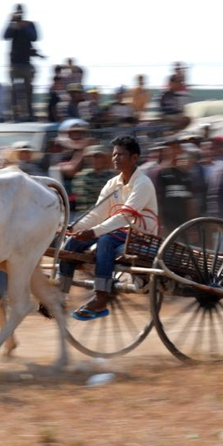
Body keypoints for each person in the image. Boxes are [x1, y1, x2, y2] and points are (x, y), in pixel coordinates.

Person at [58, 135, 158, 320]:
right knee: (72, 242)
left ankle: (101, 298)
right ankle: (60, 296)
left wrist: (92, 232)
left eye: (121, 155)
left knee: (104, 240)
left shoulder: (143, 183)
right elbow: (96, 214)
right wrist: (73, 228)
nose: (115, 159)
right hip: (118, 233)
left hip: (140, 236)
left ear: (134, 158)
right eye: (114, 155)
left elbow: (125, 216)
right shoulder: (112, 185)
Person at [150, 137, 195, 236]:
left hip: (183, 226)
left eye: (177, 148)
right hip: (167, 226)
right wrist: (160, 224)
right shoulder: (158, 173)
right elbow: (155, 200)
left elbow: (189, 201)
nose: (174, 152)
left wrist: (192, 225)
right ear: (164, 151)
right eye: (171, 148)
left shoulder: (184, 174)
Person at [3, 3, 38, 122]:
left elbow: (34, 37)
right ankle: (15, 113)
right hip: (14, 63)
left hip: (26, 63)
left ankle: (30, 113)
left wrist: (23, 27)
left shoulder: (29, 24)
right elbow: (5, 36)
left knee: (28, 90)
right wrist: (11, 23)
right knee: (13, 90)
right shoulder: (13, 25)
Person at [71, 145, 116, 217]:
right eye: (90, 157)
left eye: (98, 157)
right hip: (83, 216)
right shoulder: (80, 176)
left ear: (106, 159)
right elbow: (80, 197)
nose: (94, 160)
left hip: (107, 216)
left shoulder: (114, 177)